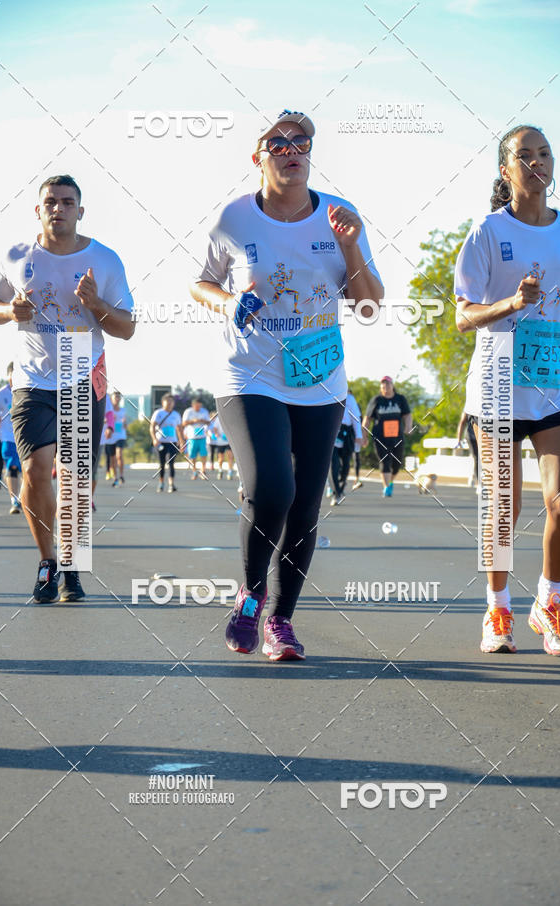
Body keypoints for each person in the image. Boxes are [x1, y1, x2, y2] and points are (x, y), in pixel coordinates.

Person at [191, 108, 383, 661]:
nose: (291, 147)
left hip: (319, 378)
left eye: (300, 140)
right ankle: (249, 597)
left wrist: (349, 248)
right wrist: (228, 301)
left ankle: (281, 620)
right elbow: (200, 282)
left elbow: (368, 304)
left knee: (304, 508)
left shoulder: (340, 217)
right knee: (273, 487)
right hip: (249, 373)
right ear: (258, 157)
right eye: (277, 142)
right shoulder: (233, 219)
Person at [455, 124, 560, 656]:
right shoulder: (486, 231)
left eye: (544, 153)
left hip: (556, 377)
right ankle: (499, 606)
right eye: (524, 156)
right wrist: (511, 304)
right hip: (499, 379)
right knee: (502, 507)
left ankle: (549, 602)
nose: (537, 162)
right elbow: (463, 317)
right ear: (505, 171)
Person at [0, 174, 135, 602]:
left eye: (67, 202)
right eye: (50, 201)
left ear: (80, 211)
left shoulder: (104, 260)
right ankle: (48, 560)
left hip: (80, 371)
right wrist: (7, 310)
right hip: (31, 377)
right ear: (38, 210)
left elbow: (126, 328)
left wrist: (95, 304)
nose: (58, 208)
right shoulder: (17, 255)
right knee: (35, 470)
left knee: (75, 481)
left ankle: (73, 564)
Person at [362, 376, 412, 496]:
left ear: (392, 385)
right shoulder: (376, 400)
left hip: (397, 437)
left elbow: (407, 415)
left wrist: (408, 427)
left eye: (388, 385)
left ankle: (390, 482)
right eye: (383, 386)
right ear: (381, 387)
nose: (386, 387)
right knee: (384, 461)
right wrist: (364, 435)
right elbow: (367, 418)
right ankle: (386, 487)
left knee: (397, 463)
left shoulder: (400, 399)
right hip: (380, 437)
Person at [0, 363, 22, 513]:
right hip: (8, 438)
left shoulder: (28, 391)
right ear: (8, 375)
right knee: (12, 467)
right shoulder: (1, 394)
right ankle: (14, 500)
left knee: (27, 471)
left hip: (27, 439)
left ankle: (22, 497)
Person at [328, 387, 365, 505]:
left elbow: (356, 418)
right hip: (332, 433)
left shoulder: (350, 399)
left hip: (347, 434)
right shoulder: (328, 396)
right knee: (333, 464)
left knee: (345, 465)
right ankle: (336, 493)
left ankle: (341, 483)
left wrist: (359, 435)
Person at [150, 393, 183, 493]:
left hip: (172, 442)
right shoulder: (158, 413)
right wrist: (154, 439)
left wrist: (181, 441)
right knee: (162, 464)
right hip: (161, 442)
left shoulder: (176, 414)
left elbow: (179, 429)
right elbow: (152, 427)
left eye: (171, 401)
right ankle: (161, 483)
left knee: (171, 463)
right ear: (163, 402)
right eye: (167, 401)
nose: (169, 403)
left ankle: (171, 484)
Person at [182, 397, 210, 479]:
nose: (198, 407)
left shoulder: (204, 411)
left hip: (202, 436)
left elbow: (209, 422)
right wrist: (193, 421)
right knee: (192, 455)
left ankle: (203, 470)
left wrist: (202, 421)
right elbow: (183, 423)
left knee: (203, 454)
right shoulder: (188, 412)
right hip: (192, 437)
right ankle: (194, 471)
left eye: (199, 406)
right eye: (196, 406)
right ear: (193, 405)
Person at [456, 410, 480, 492]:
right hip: (472, 436)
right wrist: (459, 440)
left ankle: (473, 475)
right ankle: (480, 484)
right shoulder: (469, 406)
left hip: (487, 435)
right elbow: (462, 422)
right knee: (477, 458)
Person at [207, 412, 234, 479]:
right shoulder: (218, 419)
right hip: (220, 441)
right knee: (221, 458)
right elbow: (215, 428)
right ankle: (220, 470)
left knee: (230, 456)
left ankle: (230, 472)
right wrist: (217, 434)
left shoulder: (230, 418)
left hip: (229, 441)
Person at [109, 390, 127, 486]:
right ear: (111, 399)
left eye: (118, 397)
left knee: (119, 455)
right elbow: (104, 421)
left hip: (120, 435)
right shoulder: (108, 410)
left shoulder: (123, 410)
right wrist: (111, 420)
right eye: (115, 397)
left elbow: (125, 425)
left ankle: (121, 475)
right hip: (110, 436)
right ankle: (115, 478)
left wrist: (124, 423)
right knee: (112, 458)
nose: (117, 399)